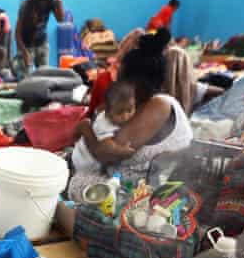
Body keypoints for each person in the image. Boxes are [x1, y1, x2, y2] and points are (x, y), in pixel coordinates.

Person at [69, 30, 193, 202]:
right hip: (133, 186)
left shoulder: (160, 105)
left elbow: (105, 154)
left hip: (152, 197)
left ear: (134, 83)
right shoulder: (138, 106)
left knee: (78, 183)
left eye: (120, 77)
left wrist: (85, 129)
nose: (116, 81)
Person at [73, 81, 136, 175]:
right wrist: (121, 151)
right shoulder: (104, 125)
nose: (125, 116)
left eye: (130, 110)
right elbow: (106, 146)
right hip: (84, 160)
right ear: (108, 112)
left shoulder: (113, 114)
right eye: (119, 113)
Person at [14, 0, 64, 78]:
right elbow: (17, 34)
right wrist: (24, 52)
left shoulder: (51, 1)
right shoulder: (27, 5)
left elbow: (60, 19)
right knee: (26, 80)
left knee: (44, 78)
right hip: (26, 46)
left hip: (42, 43)